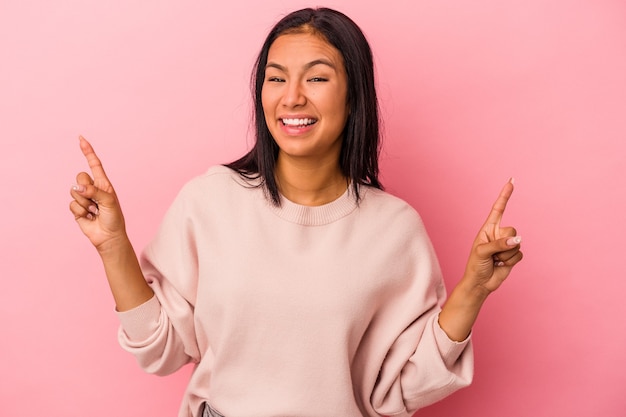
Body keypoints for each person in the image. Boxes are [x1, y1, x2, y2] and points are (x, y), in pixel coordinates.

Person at [69, 7, 523, 417]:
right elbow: (160, 351)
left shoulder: (394, 229)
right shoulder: (209, 201)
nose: (292, 98)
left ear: (354, 97)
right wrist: (113, 246)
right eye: (276, 77)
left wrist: (474, 289)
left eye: (318, 78)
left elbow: (404, 385)